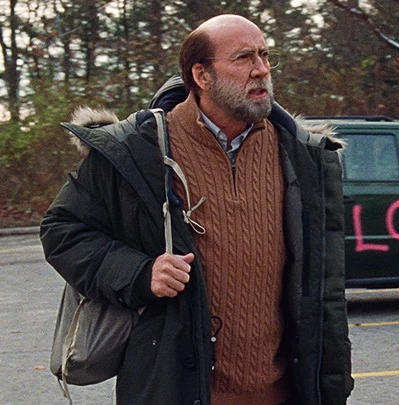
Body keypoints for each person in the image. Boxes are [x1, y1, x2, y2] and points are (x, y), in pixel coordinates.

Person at [40, 14, 353, 405]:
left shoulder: (302, 155)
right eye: (244, 58)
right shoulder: (136, 151)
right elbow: (62, 230)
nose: (261, 69)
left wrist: (332, 386)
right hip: (175, 390)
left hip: (283, 393)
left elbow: (325, 294)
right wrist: (139, 273)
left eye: (265, 55)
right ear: (201, 75)